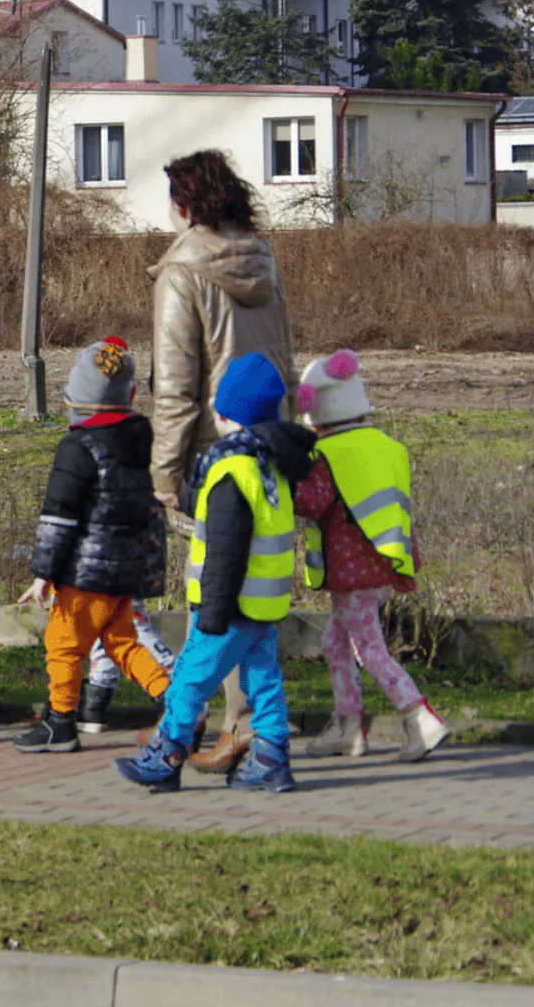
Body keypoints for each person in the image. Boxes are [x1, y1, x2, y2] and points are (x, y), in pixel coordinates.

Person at [133, 149, 296, 773]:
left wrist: (165, 473)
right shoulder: (264, 260)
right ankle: (251, 733)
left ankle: (192, 734)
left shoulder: (182, 273)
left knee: (216, 600)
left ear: (184, 206)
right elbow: (283, 353)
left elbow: (176, 385)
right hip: (270, 442)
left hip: (214, 454)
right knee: (255, 595)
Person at [116, 353, 314, 794]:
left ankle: (166, 755)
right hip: (264, 604)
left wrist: (212, 614)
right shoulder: (270, 466)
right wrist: (183, 501)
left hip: (228, 605)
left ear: (224, 416)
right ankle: (271, 757)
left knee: (189, 679)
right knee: (263, 679)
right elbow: (231, 516)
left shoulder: (228, 471)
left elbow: (225, 548)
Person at [13, 338, 172, 753]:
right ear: (130, 395)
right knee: (123, 644)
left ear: (75, 398)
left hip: (86, 573)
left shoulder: (77, 448)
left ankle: (60, 722)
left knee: (63, 645)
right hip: (127, 570)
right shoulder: (143, 442)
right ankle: (175, 703)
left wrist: (44, 571)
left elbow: (59, 515)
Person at [293, 350, 448, 762]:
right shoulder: (384, 446)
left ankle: (420, 717)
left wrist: (284, 477)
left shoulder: (328, 455)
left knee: (368, 648)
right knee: (336, 641)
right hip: (385, 562)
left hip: (350, 571)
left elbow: (312, 503)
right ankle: (348, 726)